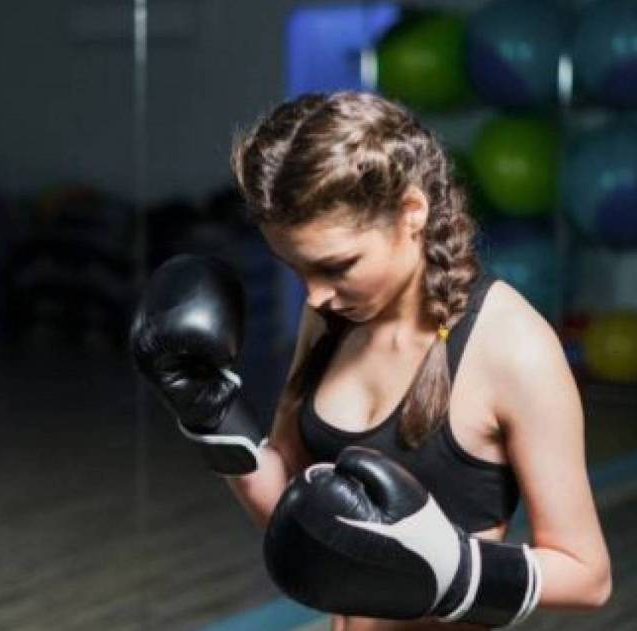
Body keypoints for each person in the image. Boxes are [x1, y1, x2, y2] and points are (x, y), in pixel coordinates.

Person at [130, 91, 611, 630]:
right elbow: (293, 519)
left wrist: (451, 569)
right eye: (295, 268)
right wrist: (213, 419)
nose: (313, 296)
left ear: (411, 211)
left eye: (337, 266)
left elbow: (588, 576)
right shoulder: (333, 318)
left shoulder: (512, 347)